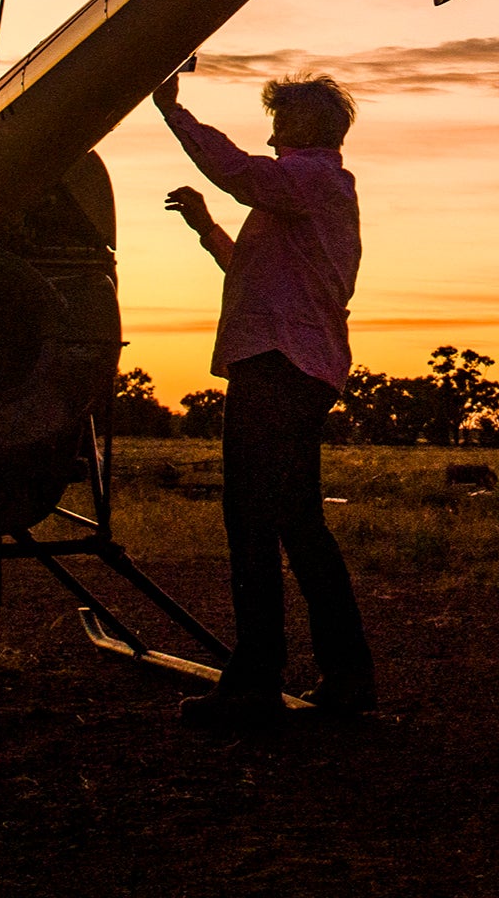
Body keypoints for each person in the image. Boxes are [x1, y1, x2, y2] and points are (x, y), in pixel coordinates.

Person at [155, 69, 374, 730]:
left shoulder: (310, 181)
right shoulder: (300, 195)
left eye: (281, 116)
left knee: (256, 520)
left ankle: (259, 679)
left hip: (280, 368)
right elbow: (255, 275)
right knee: (292, 522)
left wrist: (173, 111)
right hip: (291, 367)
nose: (272, 128)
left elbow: (235, 168)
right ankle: (343, 677)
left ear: (306, 127)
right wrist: (206, 227)